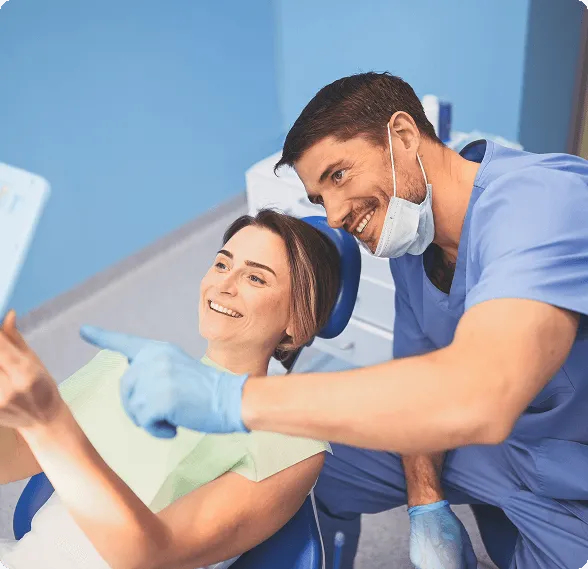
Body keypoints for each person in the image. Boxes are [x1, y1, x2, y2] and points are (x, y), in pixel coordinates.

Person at [75, 72, 588, 569]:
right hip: (489, 450)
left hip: (569, 473)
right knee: (305, 463)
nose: (337, 215)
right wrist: (425, 502)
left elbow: (483, 395)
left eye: (339, 175)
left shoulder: (541, 203)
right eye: (320, 199)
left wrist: (231, 399)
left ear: (404, 135)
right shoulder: (413, 239)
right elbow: (414, 394)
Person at [0, 209, 339, 569]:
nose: (223, 284)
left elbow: (152, 555)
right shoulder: (122, 366)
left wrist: (51, 423)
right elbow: (14, 455)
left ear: (297, 322)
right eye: (222, 265)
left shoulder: (290, 445)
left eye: (255, 278)